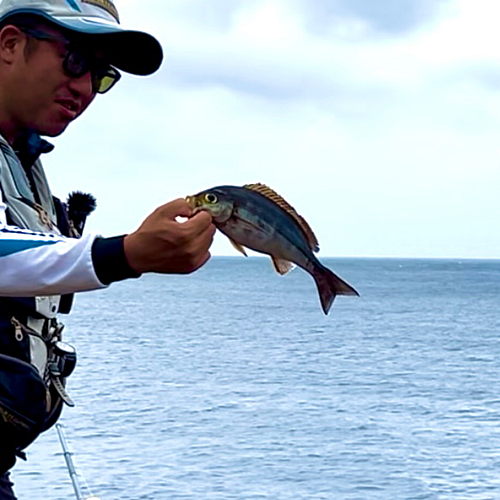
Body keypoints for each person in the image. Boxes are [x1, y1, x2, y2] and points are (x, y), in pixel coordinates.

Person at [0, 0, 216, 497]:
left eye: (101, 76)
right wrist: (125, 254)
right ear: (10, 44)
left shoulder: (24, 163)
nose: (84, 88)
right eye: (76, 59)